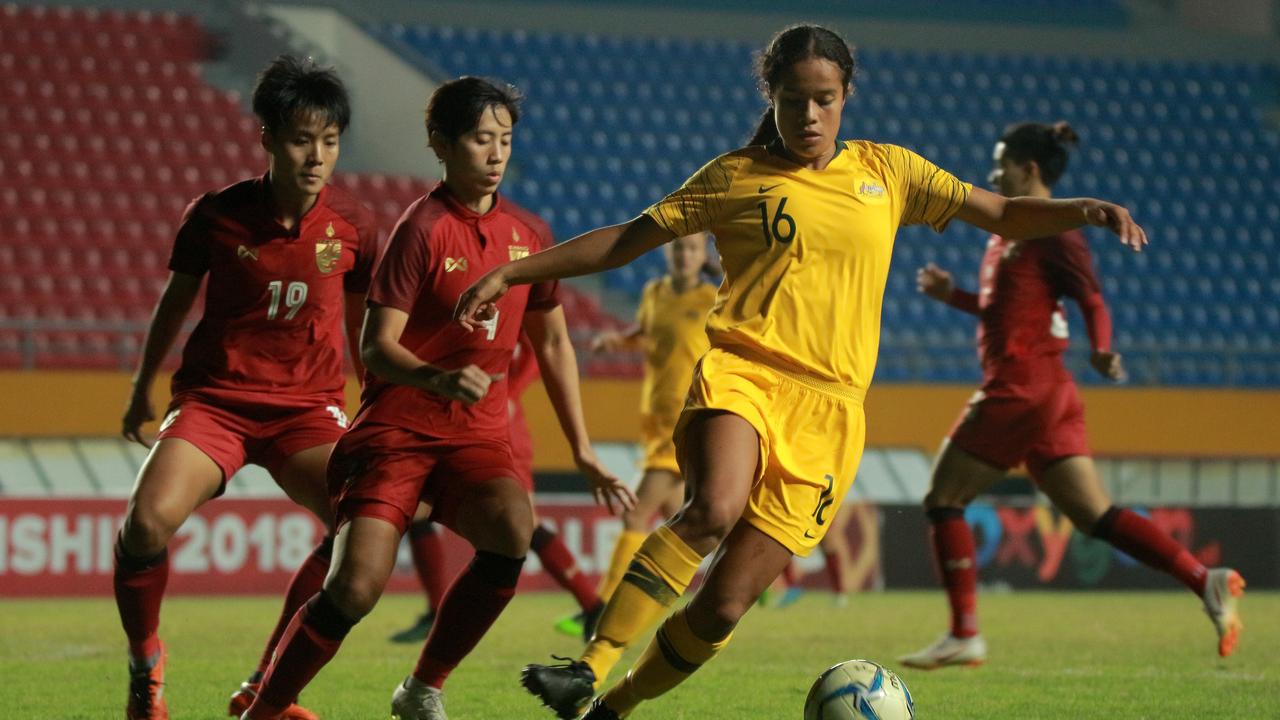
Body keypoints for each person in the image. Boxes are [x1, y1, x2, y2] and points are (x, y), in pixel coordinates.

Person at [455, 24, 1146, 720]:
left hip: (832, 412)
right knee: (714, 508)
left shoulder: (890, 173)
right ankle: (590, 664)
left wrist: (1079, 211)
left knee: (725, 603)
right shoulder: (734, 177)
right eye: (793, 100)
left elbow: (999, 211)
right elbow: (625, 240)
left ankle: (614, 708)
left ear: (847, 97)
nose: (808, 116)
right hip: (743, 372)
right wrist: (512, 272)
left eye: (823, 100)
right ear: (772, 97)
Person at [239, 76, 635, 720]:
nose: (497, 153)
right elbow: (375, 347)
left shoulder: (528, 235)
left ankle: (423, 686)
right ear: (441, 145)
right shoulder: (420, 229)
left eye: (505, 139)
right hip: (395, 434)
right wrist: (439, 378)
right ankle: (265, 708)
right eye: (481, 139)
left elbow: (557, 346)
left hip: (476, 439)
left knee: (512, 530)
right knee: (356, 588)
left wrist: (584, 450)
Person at [897, 121, 1244, 670]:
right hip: (1050, 394)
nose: (993, 172)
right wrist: (953, 295)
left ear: (1028, 169)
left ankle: (965, 632)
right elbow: (1005, 311)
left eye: (1001, 162)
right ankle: (1205, 581)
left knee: (944, 498)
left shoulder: (1055, 232)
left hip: (1024, 384)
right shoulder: (1005, 234)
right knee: (1096, 515)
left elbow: (1092, 299)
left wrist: (1103, 348)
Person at [114, 55, 376, 720]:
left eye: (330, 141)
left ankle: (265, 687)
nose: (316, 157)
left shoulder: (354, 226)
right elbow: (174, 306)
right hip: (216, 404)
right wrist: (145, 386)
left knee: (362, 530)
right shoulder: (216, 215)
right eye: (300, 139)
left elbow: (362, 326)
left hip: (307, 413)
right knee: (143, 526)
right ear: (266, 137)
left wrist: (379, 403)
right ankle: (147, 666)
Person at [392, 331, 609, 645]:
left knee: (524, 523)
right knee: (416, 511)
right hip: (453, 418)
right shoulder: (473, 297)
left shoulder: (516, 295)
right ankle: (436, 611)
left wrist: (510, 393)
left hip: (499, 425)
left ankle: (593, 606)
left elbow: (544, 343)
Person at [568, 232, 716, 637]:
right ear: (668, 252)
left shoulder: (713, 300)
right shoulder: (654, 293)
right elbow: (646, 331)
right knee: (681, 521)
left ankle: (600, 607)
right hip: (654, 421)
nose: (684, 254)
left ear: (703, 254)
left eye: (691, 248)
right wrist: (616, 340)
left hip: (687, 419)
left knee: (636, 514)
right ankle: (764, 581)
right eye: (678, 248)